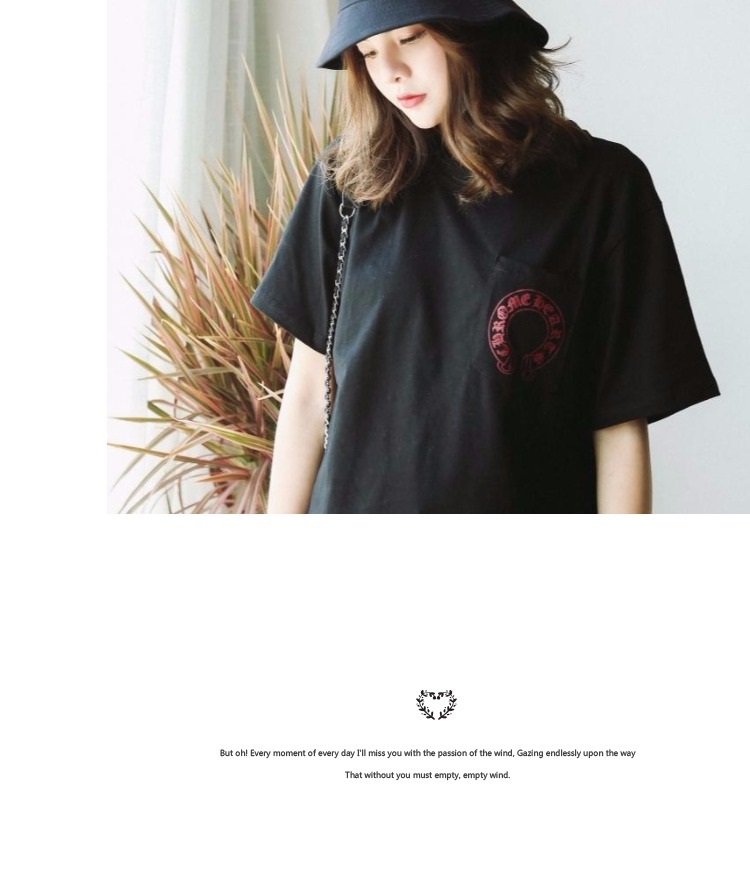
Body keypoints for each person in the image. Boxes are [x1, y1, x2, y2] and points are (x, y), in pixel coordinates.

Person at [251, 0, 719, 514]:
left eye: (410, 38)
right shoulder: (348, 182)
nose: (390, 71)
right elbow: (307, 391)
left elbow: (618, 419)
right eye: (368, 52)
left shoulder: (602, 188)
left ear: (475, 30)